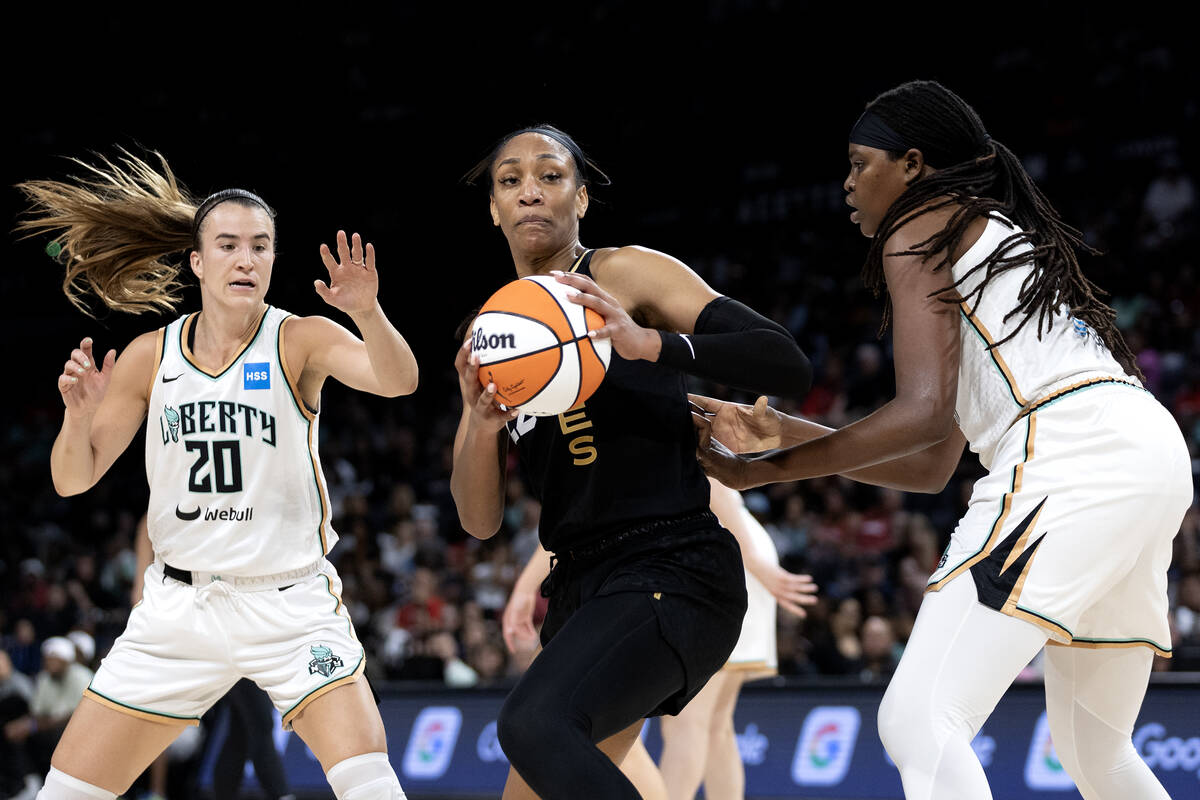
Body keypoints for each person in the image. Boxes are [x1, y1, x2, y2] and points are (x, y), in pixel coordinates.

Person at [694, 80, 1192, 799]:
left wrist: (773, 468)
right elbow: (931, 464)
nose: (847, 183)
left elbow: (922, 414)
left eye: (860, 163)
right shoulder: (989, 233)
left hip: (1071, 453)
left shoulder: (920, 222)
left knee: (920, 721)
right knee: (1099, 755)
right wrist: (785, 437)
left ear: (914, 164)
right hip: (1143, 451)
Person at [17, 150, 418, 800]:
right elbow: (73, 479)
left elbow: (400, 382)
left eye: (260, 246)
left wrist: (367, 313)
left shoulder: (299, 339)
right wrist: (75, 417)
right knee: (63, 793)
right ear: (198, 262)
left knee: (370, 781)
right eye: (228, 245)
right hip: (178, 611)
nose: (246, 259)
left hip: (289, 608)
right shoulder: (152, 354)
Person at [451, 125, 811, 800]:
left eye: (551, 176)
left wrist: (653, 344)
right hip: (582, 588)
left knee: (531, 723)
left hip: (671, 566)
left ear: (581, 199)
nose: (530, 190)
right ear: (493, 209)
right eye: (510, 181)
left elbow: (783, 360)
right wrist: (478, 422)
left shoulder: (620, 273)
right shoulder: (492, 331)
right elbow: (476, 520)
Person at [657, 479, 816, 800]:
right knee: (716, 723)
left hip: (727, 558)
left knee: (687, 720)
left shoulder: (676, 431)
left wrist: (755, 564)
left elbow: (708, 479)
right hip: (735, 552)